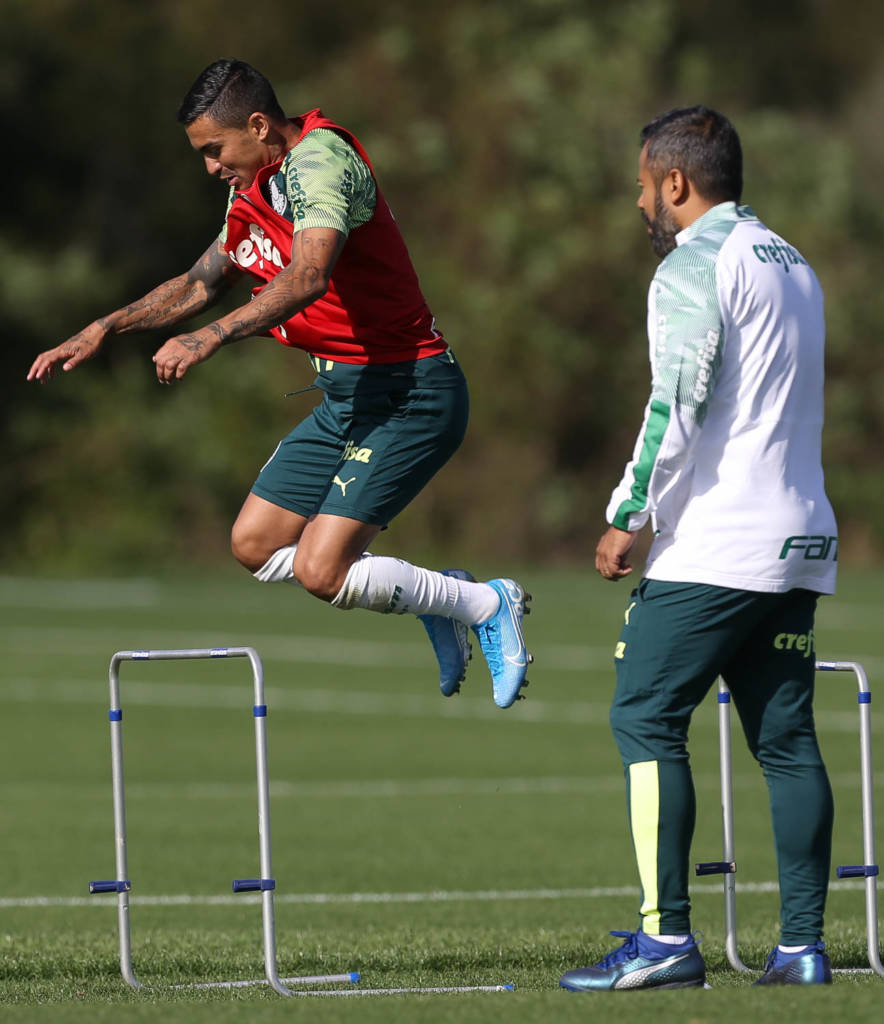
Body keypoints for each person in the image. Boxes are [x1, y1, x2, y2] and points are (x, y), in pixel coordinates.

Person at [27, 59, 532, 709]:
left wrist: (211, 337)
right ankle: (446, 599)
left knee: (322, 569)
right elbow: (200, 282)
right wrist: (105, 326)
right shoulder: (252, 186)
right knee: (255, 544)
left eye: (215, 149)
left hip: (410, 393)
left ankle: (487, 603)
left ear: (260, 125)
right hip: (347, 398)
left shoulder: (319, 162)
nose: (210, 166)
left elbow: (308, 274)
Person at [559, 106, 838, 992]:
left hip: (719, 544)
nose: (640, 202)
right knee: (786, 741)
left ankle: (666, 943)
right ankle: (802, 949)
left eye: (644, 186)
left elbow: (675, 399)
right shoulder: (792, 261)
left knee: (644, 717)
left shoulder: (694, 262)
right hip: (800, 536)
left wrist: (627, 512)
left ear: (675, 182)